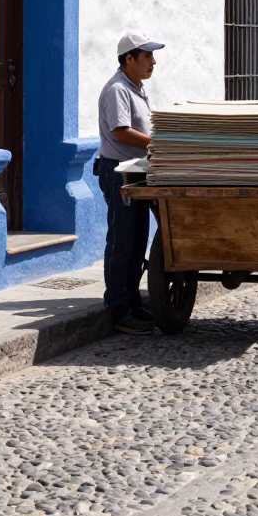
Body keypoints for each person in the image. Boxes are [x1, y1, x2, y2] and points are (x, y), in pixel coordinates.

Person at [97, 31, 164, 336]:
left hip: (137, 172)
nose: (152, 61)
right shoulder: (117, 90)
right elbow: (121, 132)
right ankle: (118, 307)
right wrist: (155, 143)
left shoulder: (136, 88)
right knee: (122, 241)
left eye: (152, 55)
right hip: (118, 174)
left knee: (138, 240)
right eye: (147, 56)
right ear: (129, 59)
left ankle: (133, 300)